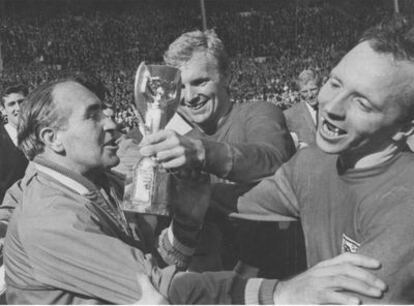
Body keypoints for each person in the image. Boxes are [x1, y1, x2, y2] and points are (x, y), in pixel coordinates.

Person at [3, 77, 285, 304]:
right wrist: (280, 293)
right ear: (52, 138)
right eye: (93, 116)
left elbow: (149, 259)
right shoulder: (50, 217)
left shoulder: (105, 183)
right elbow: (159, 289)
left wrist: (187, 221)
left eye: (105, 111)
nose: (112, 123)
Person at [215, 17, 414, 304]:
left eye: (362, 102)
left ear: (404, 128)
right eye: (334, 83)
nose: (331, 106)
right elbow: (244, 201)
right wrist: (192, 188)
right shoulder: (313, 162)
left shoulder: (405, 206)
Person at [137, 29, 303, 276]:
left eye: (200, 82)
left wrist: (203, 154)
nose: (190, 97)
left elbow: (272, 158)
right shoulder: (184, 144)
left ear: (226, 76)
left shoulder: (258, 113)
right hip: (220, 284)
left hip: (280, 275)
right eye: (181, 87)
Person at [0, 84, 29, 204]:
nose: (18, 108)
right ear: (3, 110)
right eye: (11, 104)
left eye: (21, 102)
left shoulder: (40, 135)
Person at [284, 69, 321, 149]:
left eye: (313, 89)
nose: (310, 95)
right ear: (300, 92)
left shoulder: (332, 108)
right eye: (304, 91)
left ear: (320, 87)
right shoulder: (290, 115)